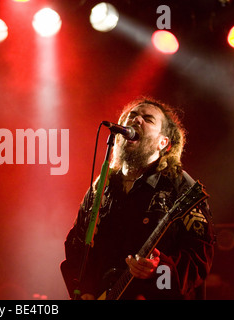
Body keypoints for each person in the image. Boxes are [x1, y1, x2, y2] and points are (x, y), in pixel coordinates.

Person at [60, 97, 215, 300]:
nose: (136, 120)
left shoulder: (180, 186)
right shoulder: (102, 187)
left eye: (148, 119)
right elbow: (76, 245)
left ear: (163, 143)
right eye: (132, 116)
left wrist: (157, 273)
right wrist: (86, 290)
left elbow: (199, 258)